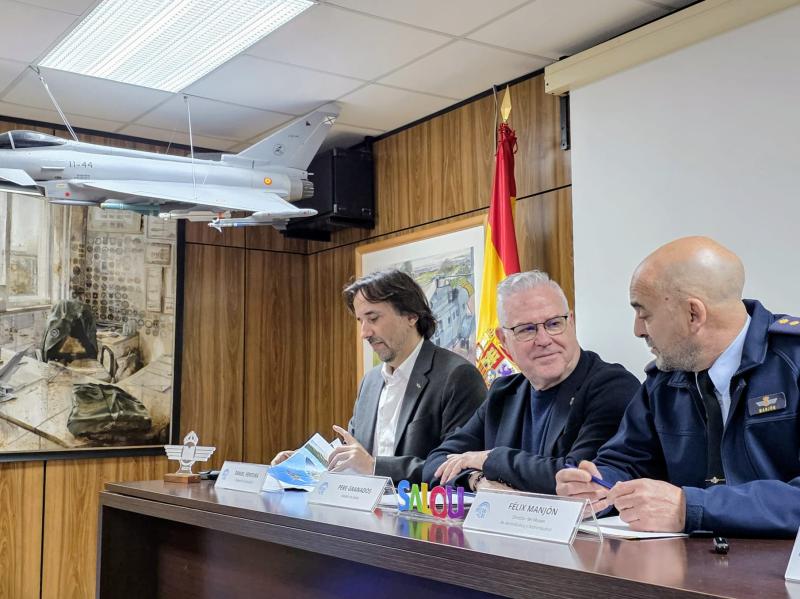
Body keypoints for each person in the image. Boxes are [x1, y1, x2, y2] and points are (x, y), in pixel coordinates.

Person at [556, 236, 800, 537]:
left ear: (693, 314)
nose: (637, 330)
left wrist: (691, 507)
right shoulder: (664, 380)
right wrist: (597, 486)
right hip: (686, 561)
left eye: (644, 314)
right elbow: (627, 460)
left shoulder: (793, 360)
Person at [423, 271, 639, 494]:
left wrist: (490, 459)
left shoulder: (613, 387)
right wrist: (477, 480)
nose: (544, 340)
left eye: (554, 324)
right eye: (526, 329)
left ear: (571, 323)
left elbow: (578, 479)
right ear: (503, 340)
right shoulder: (503, 393)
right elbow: (436, 464)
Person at [271, 269, 486, 483]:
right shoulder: (370, 381)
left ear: (411, 316)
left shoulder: (458, 377)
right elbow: (353, 455)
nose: (364, 333)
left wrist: (375, 466)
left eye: (373, 318)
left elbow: (457, 467)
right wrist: (307, 464)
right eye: (360, 321)